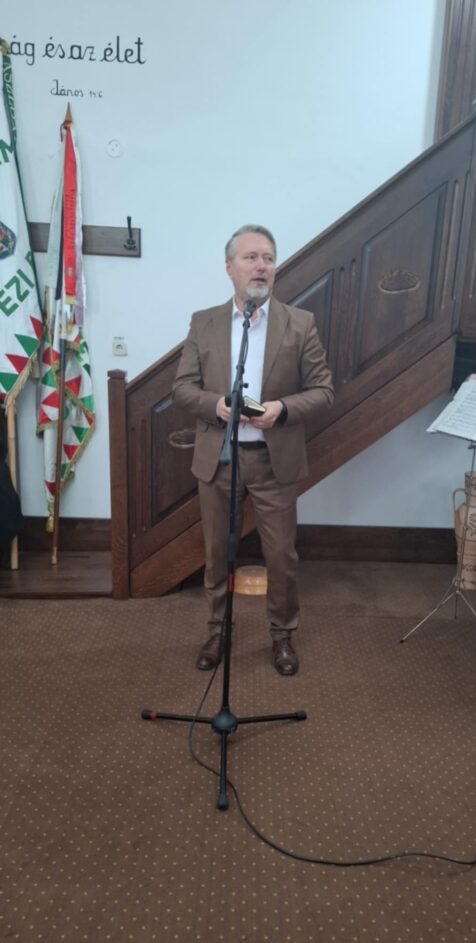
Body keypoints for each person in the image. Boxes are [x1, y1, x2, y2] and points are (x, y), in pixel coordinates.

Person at [172, 225, 334, 676]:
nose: (261, 266)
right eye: (250, 258)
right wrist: (217, 406)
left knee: (281, 556)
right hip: (219, 458)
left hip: (272, 461)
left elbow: (323, 391)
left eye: (268, 258)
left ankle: (282, 635)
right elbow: (182, 388)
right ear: (230, 268)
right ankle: (217, 631)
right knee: (216, 553)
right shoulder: (204, 322)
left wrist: (282, 410)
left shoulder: (300, 323)